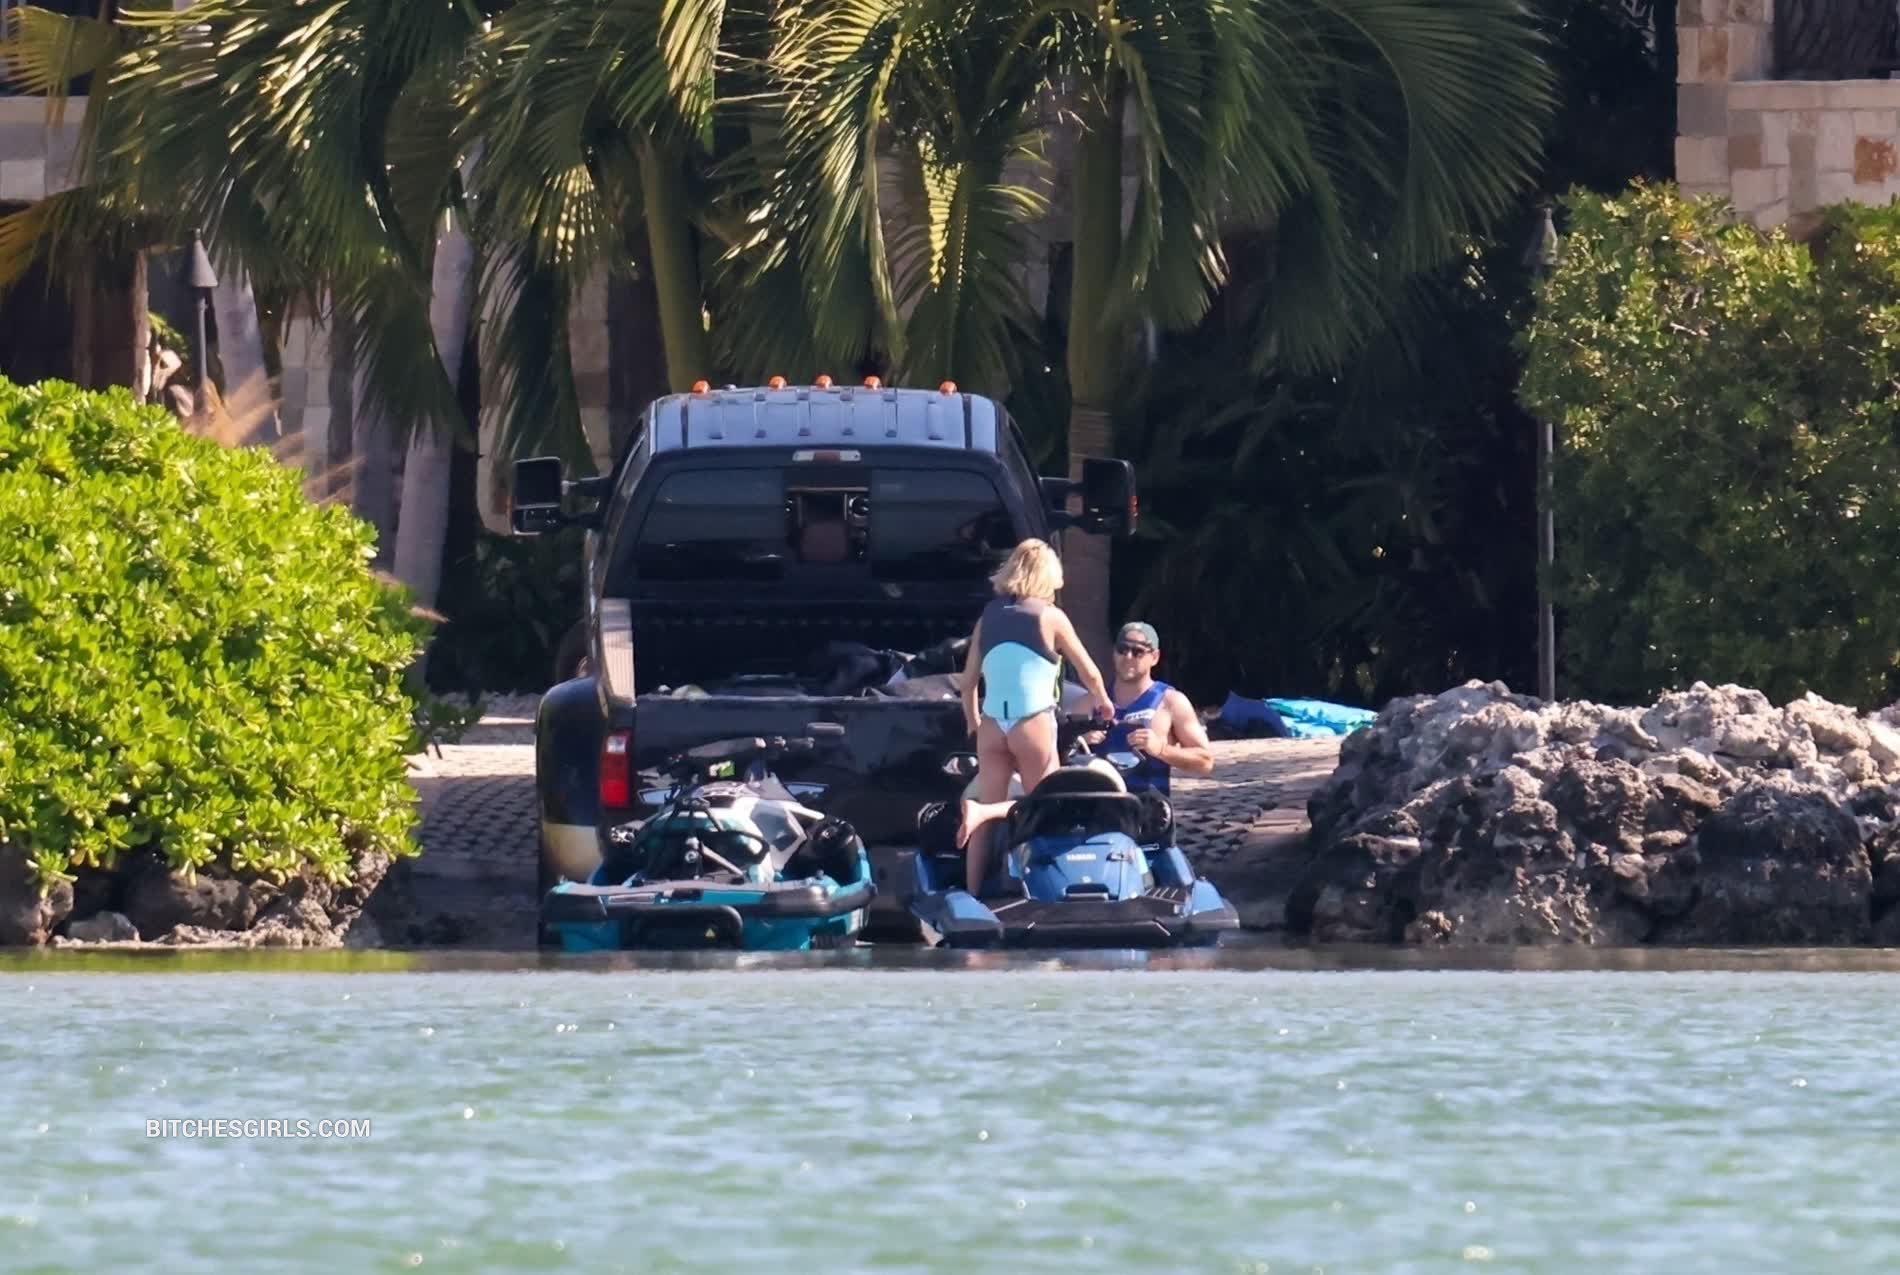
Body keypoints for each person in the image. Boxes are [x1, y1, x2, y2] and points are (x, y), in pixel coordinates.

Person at [956, 538, 1113, 892]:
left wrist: (973, 722)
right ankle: (1046, 894)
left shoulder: (989, 616)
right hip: (1032, 723)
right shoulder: (1050, 617)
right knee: (1046, 807)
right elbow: (1089, 672)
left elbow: (968, 683)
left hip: (992, 725)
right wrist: (1104, 701)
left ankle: (973, 895)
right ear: (1047, 577)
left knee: (985, 818)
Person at [1092, 621, 1214, 796]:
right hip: (1100, 807)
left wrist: (1161, 749)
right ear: (1114, 652)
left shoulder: (1170, 702)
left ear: (1155, 657)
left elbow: (1205, 762)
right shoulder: (1092, 701)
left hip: (1149, 807)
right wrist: (1076, 744)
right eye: (1122, 649)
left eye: (1138, 651)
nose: (1128, 657)